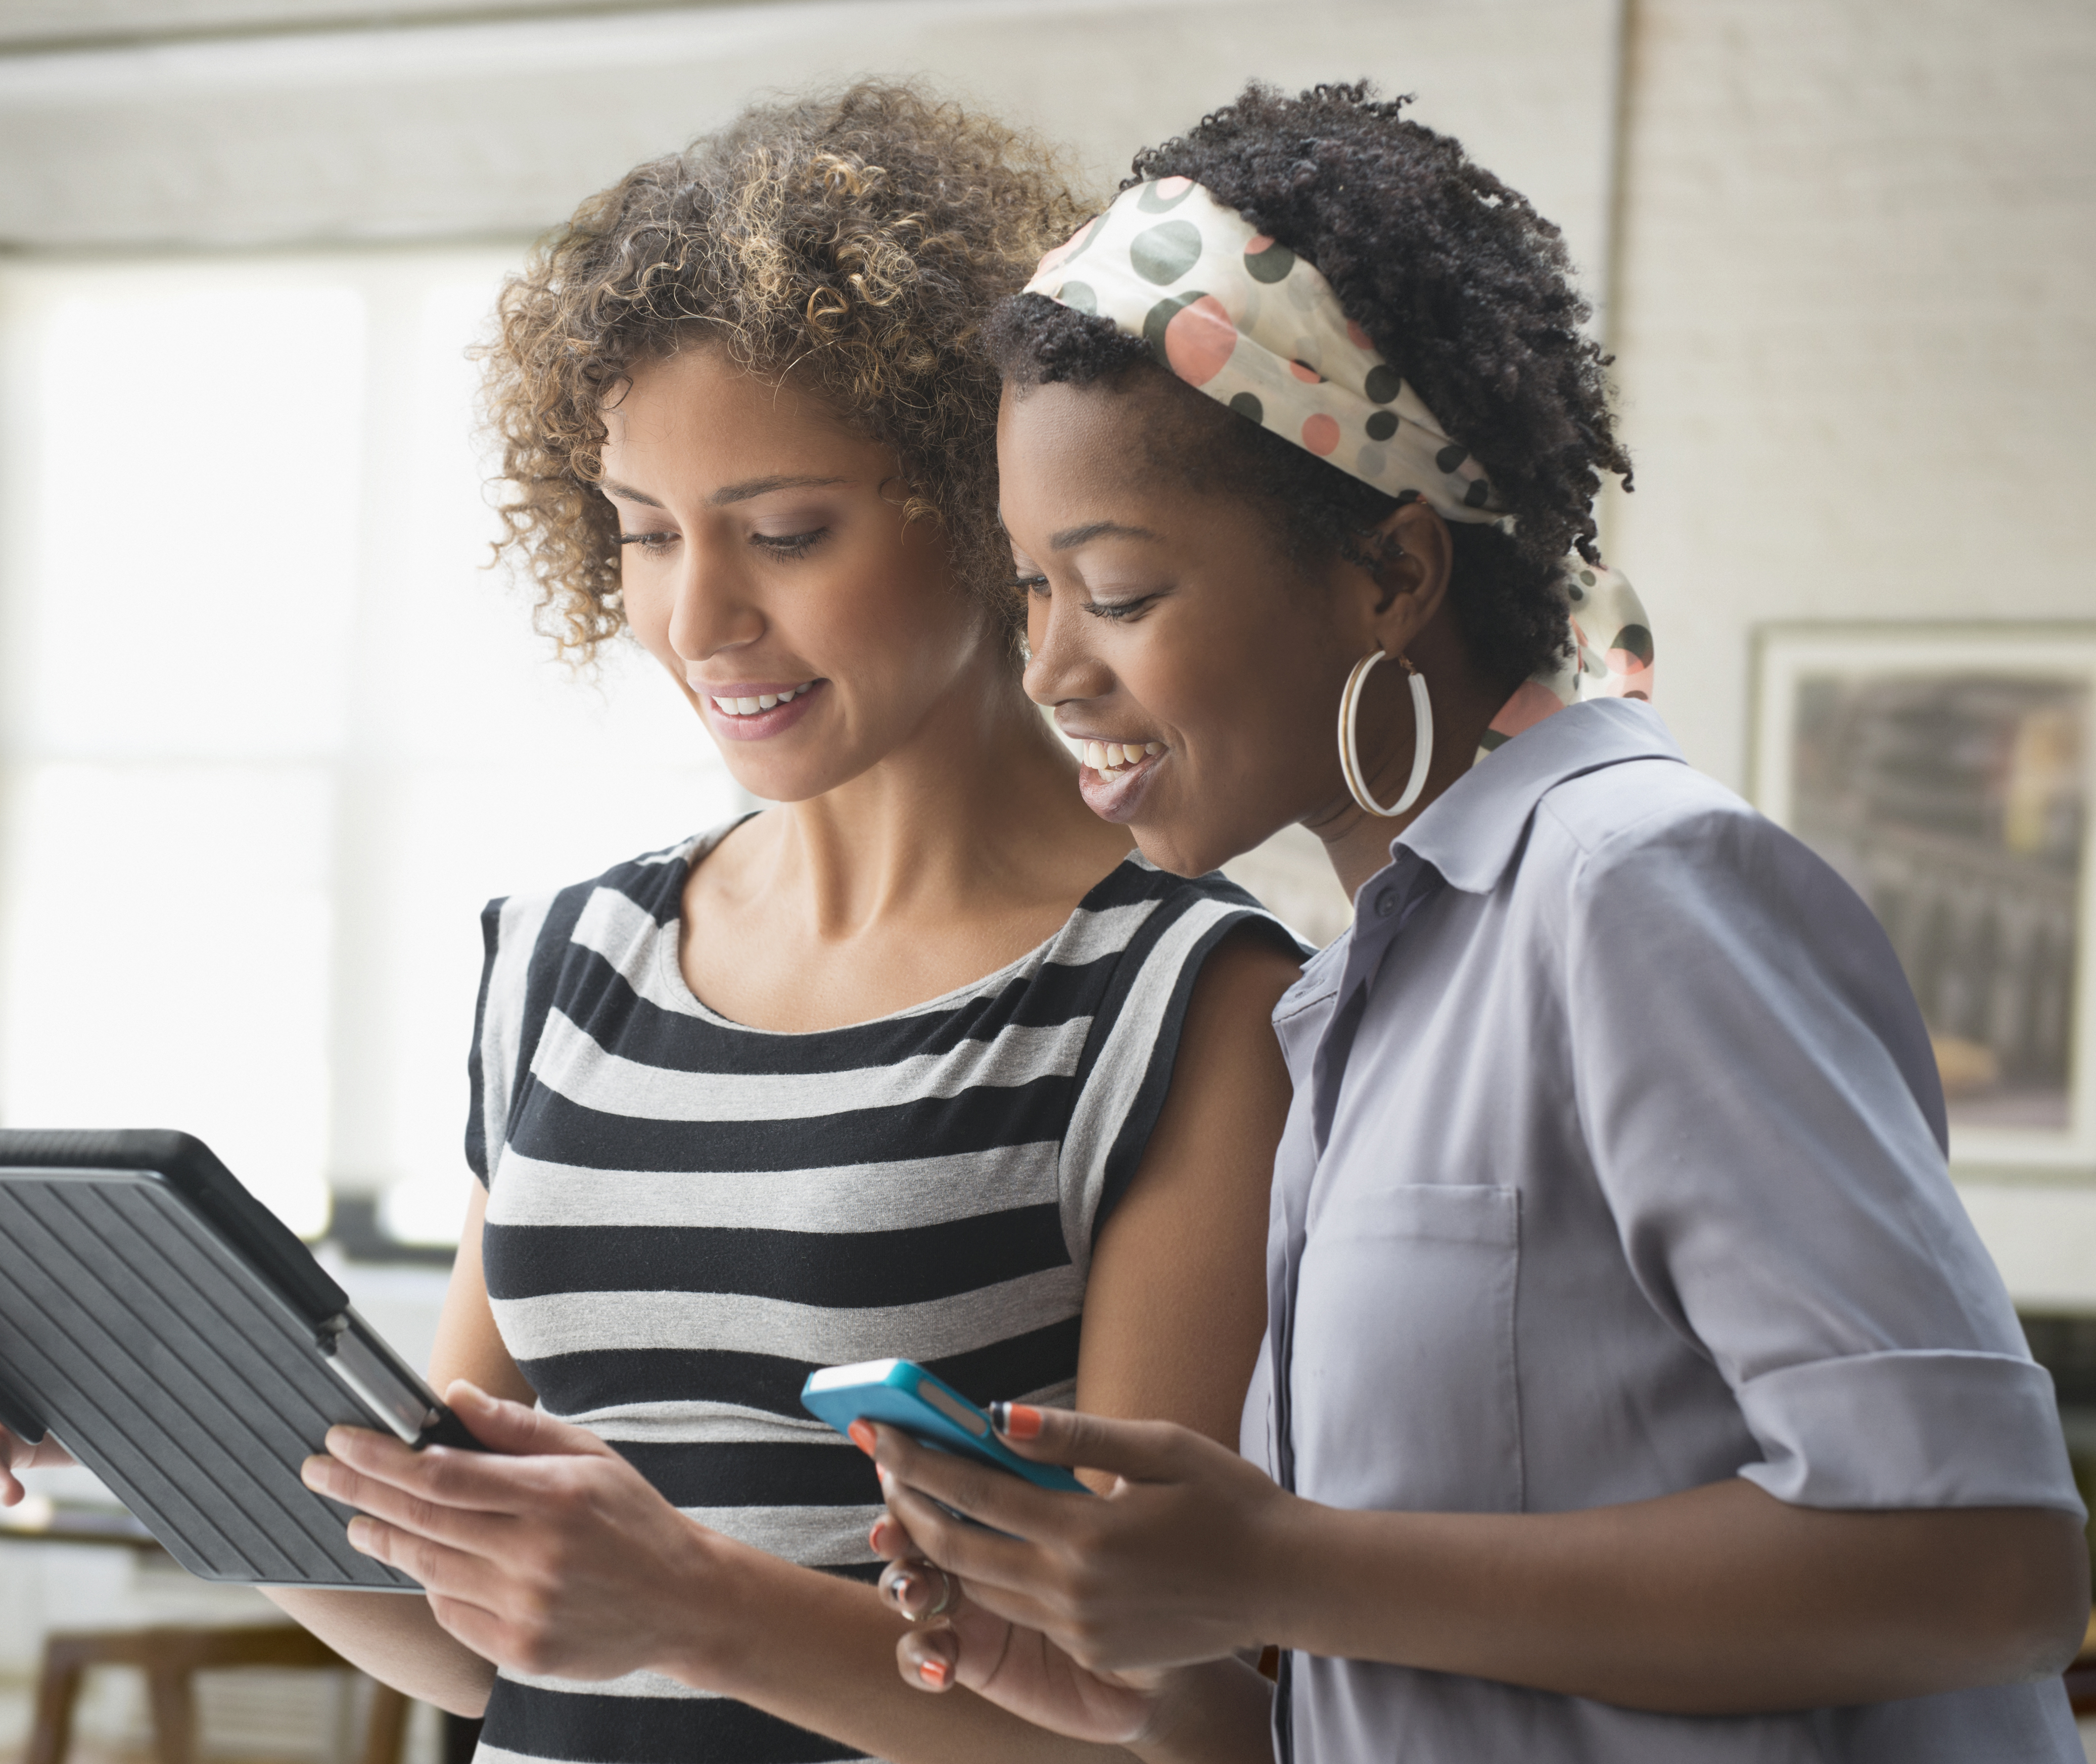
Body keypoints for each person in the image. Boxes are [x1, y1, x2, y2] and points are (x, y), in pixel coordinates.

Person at [0, 84, 1309, 1764]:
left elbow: (1167, 1734)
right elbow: (479, 1640)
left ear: (988, 499)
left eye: (784, 532)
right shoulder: (569, 966)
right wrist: (141, 1413)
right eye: (642, 534)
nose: (697, 617)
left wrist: (697, 1602)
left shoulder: (1183, 997)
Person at [857, 80, 2091, 1763]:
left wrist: (1280, 1564)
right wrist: (1144, 1659)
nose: (1054, 667)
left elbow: (1987, 1566)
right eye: (1033, 589)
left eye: (1121, 589)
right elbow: (1437, 1650)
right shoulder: (1362, 984)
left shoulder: (1635, 884)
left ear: (1389, 573)